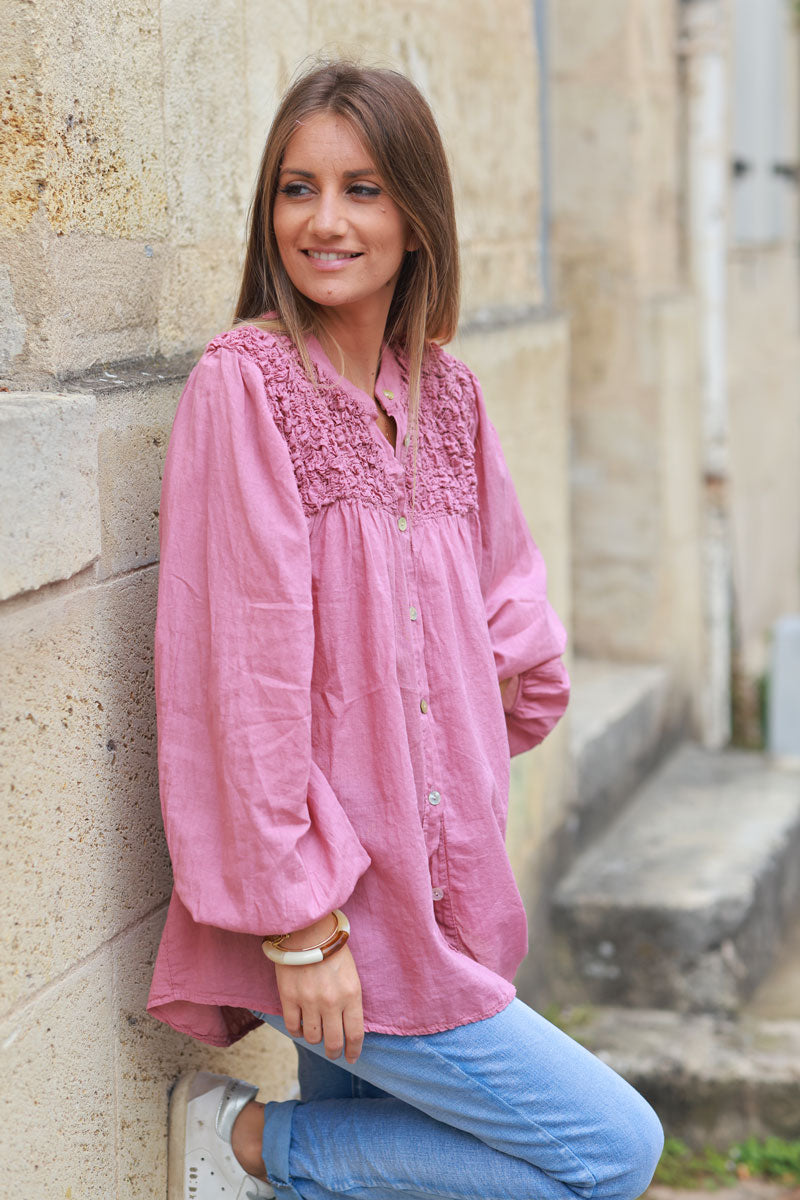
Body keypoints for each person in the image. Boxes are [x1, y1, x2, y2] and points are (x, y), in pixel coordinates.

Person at [147, 60, 664, 1200]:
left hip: (454, 889)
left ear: (416, 214)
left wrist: (451, 744)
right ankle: (239, 1144)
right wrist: (298, 927)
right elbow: (241, 681)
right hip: (343, 920)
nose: (323, 221)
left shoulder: (449, 397)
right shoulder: (247, 388)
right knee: (609, 1152)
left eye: (362, 189)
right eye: (296, 188)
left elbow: (509, 619)